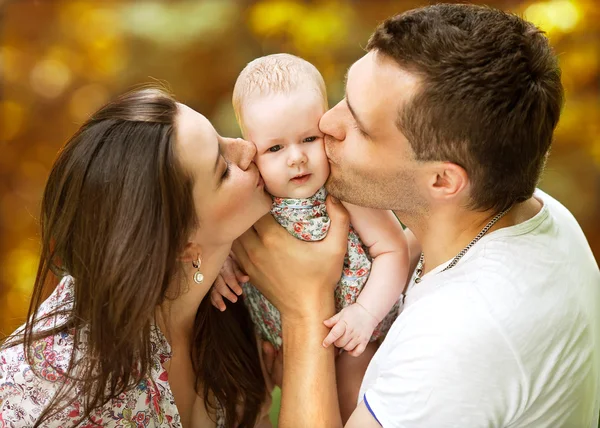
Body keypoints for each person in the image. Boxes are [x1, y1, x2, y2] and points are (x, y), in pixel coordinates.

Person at [232, 4, 600, 428]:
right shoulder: (520, 206)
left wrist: (302, 312)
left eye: (361, 125)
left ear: (443, 181)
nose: (327, 123)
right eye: (343, 97)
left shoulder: (458, 341)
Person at [0, 88, 273, 427]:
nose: (248, 148)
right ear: (182, 246)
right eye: (224, 170)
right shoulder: (51, 391)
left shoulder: (244, 284)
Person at [210, 53, 408, 421]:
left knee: (353, 393)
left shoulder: (344, 189)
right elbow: (220, 234)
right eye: (275, 148)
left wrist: (364, 314)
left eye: (308, 138)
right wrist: (222, 262)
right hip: (279, 338)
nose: (297, 158)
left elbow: (392, 250)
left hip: (353, 332)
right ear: (251, 150)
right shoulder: (253, 196)